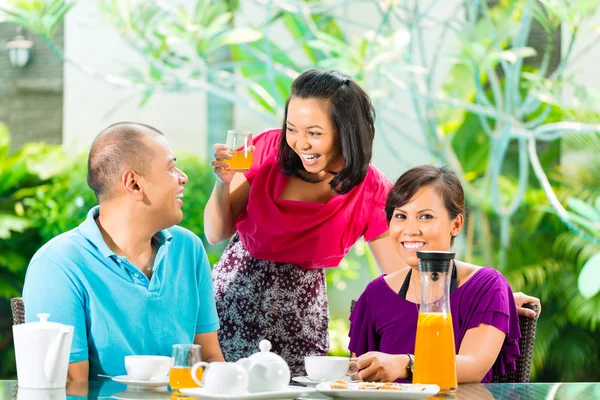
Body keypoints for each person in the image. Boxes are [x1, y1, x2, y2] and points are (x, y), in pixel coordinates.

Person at [205, 69, 540, 376]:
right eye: (292, 129)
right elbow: (216, 232)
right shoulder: (265, 150)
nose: (299, 142)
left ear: (345, 132)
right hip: (234, 297)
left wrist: (489, 298)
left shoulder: (372, 190)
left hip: (300, 315)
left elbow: (405, 275)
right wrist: (224, 182)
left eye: (315, 132)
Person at [23, 122, 224, 381]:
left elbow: (208, 358)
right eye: (171, 167)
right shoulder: (58, 265)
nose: (182, 177)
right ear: (134, 184)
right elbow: (72, 386)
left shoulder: (188, 249)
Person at [349, 165, 533, 383]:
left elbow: (473, 366)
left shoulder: (486, 286)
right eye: (400, 216)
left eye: (425, 216)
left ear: (456, 224)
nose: (410, 229)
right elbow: (358, 379)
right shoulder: (376, 295)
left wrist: (406, 364)